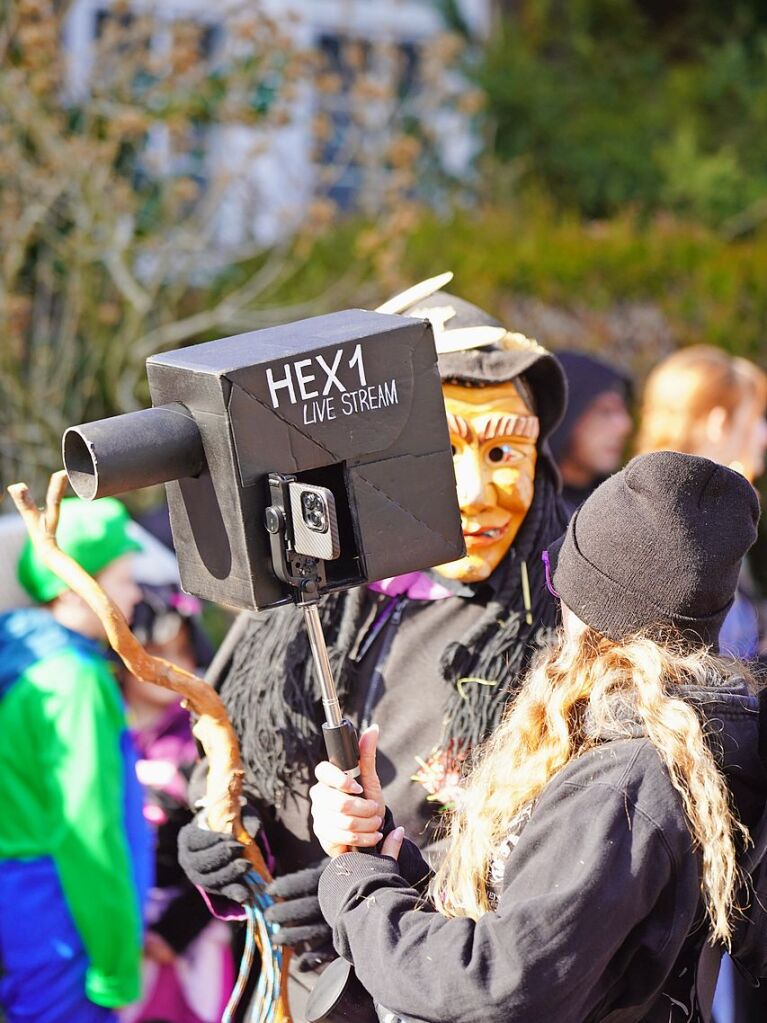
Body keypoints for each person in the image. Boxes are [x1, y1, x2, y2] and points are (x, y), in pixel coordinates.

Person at [178, 286, 568, 1017]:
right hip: (290, 991)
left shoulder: (561, 631)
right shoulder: (311, 591)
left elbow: (562, 878)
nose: (477, 491)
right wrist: (223, 838)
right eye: (445, 449)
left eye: (500, 449)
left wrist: (364, 903)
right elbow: (234, 750)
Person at [309, 450, 767, 1023]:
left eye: (558, 576)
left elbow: (499, 986)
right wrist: (382, 855)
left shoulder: (628, 781)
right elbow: (535, 932)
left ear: (592, 608)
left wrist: (357, 890)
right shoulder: (659, 747)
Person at [0, 497, 151, 1023]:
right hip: (67, 920)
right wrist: (115, 964)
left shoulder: (26, 663)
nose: (134, 596)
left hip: (31, 907)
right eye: (123, 579)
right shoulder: (74, 683)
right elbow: (88, 832)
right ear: (75, 584)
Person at [119, 584, 234, 1023]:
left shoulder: (200, 736)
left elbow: (227, 836)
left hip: (187, 937)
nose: (169, 667)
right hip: (112, 927)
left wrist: (177, 930)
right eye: (154, 652)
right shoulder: (103, 729)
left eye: (181, 652)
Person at [636, 345, 767, 660]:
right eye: (755, 417)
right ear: (718, 423)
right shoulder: (682, 525)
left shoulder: (658, 505)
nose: (763, 434)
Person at [548, 350, 633, 517]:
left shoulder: (624, 508)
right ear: (566, 414)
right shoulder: (530, 513)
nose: (624, 425)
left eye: (623, 410)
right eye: (605, 411)